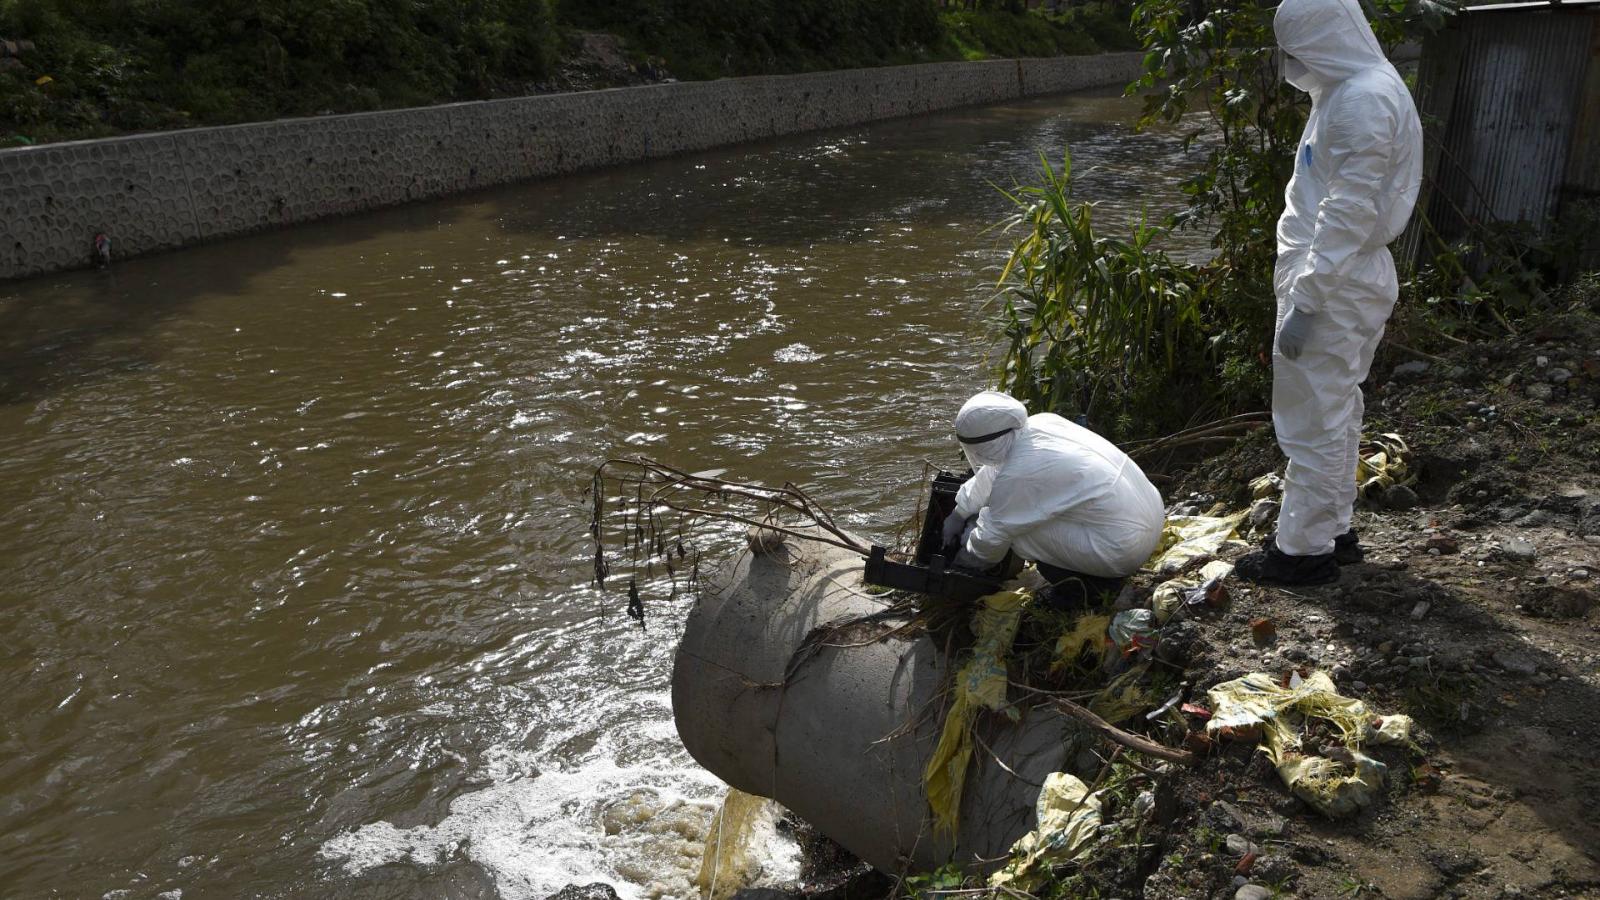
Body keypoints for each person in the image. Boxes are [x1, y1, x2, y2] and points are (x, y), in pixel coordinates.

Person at [1236, 0, 1423, 586]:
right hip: (1342, 276)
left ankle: (1301, 552)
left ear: (1321, 39)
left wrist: (1306, 302)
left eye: (1296, 49)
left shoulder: (1361, 100)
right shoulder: (1356, 88)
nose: (1291, 63)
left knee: (1312, 418)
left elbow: (1345, 213)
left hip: (1332, 282)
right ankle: (1333, 530)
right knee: (1336, 407)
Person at [940, 391, 1165, 608]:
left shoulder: (1021, 472)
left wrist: (962, 563)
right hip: (1151, 515)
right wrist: (959, 513)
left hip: (1124, 549)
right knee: (1016, 517)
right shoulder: (1041, 423)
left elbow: (992, 538)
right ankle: (1093, 574)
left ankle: (1086, 589)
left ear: (986, 445)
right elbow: (993, 473)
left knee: (1016, 534)